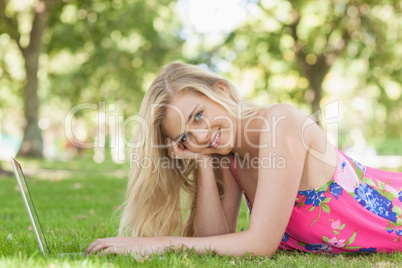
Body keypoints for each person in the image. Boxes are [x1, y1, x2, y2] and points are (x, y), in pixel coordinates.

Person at [86, 62, 402, 257]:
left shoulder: (281, 123)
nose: (199, 134)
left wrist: (157, 243)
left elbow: (260, 245)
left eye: (198, 116)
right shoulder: (228, 157)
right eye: (184, 136)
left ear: (221, 90)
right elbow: (214, 242)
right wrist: (202, 159)